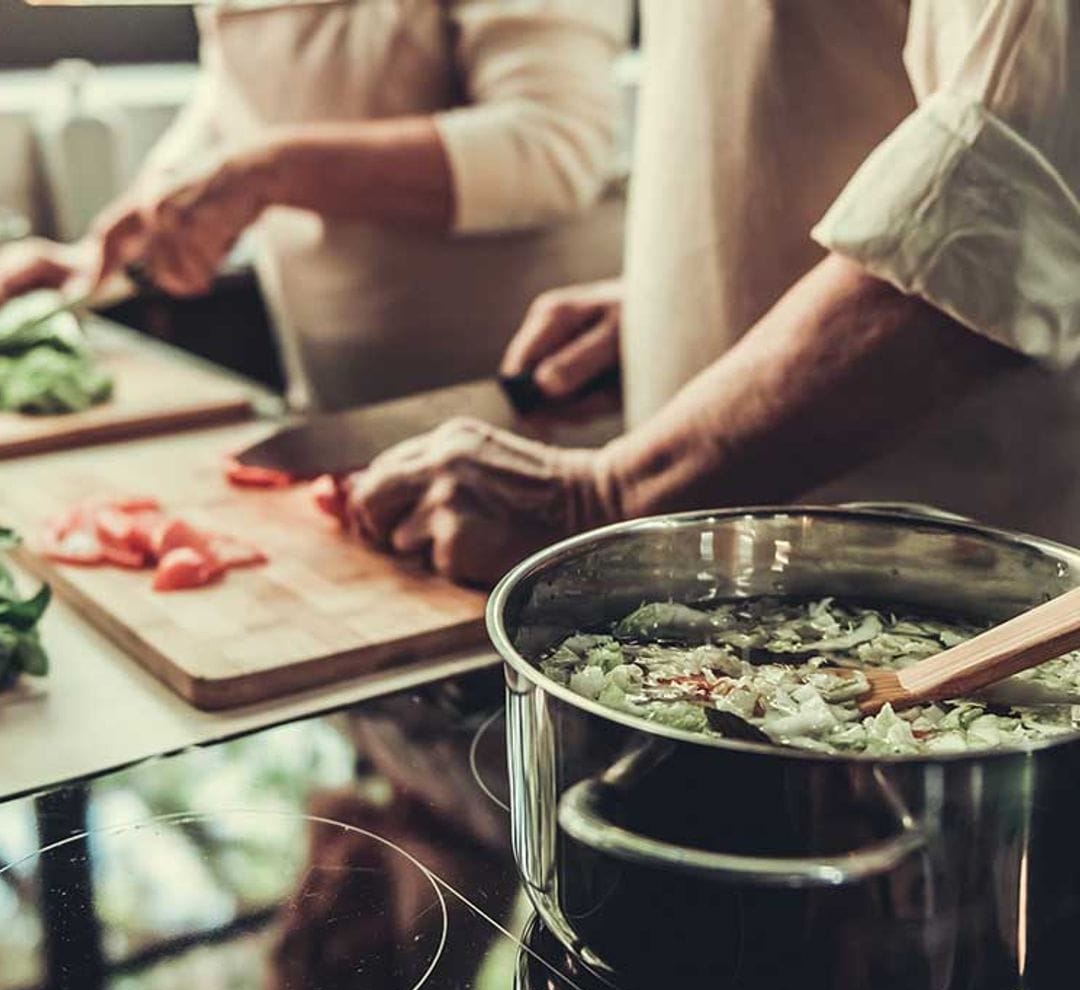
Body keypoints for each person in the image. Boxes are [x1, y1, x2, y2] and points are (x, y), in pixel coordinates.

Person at [341, 0, 1080, 585]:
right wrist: (680, 300)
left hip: (951, 603)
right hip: (739, 581)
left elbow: (1012, 193)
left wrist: (604, 496)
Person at [0, 0, 628, 409]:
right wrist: (113, 249)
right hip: (338, 401)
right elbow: (235, 103)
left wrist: (273, 169)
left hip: (540, 396)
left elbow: (553, 147)